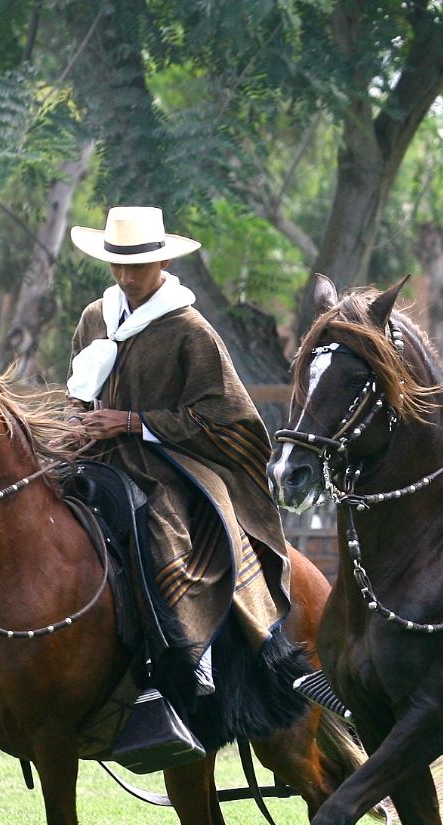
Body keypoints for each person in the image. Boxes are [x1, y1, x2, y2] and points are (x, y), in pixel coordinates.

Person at [67, 204, 301, 757]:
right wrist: (79, 424)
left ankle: (190, 660)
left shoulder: (191, 330)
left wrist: (133, 422)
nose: (126, 276)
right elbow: (75, 390)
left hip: (171, 467)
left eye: (138, 266)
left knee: (162, 529)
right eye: (117, 264)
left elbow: (229, 419)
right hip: (94, 456)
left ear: (165, 260)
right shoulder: (93, 318)